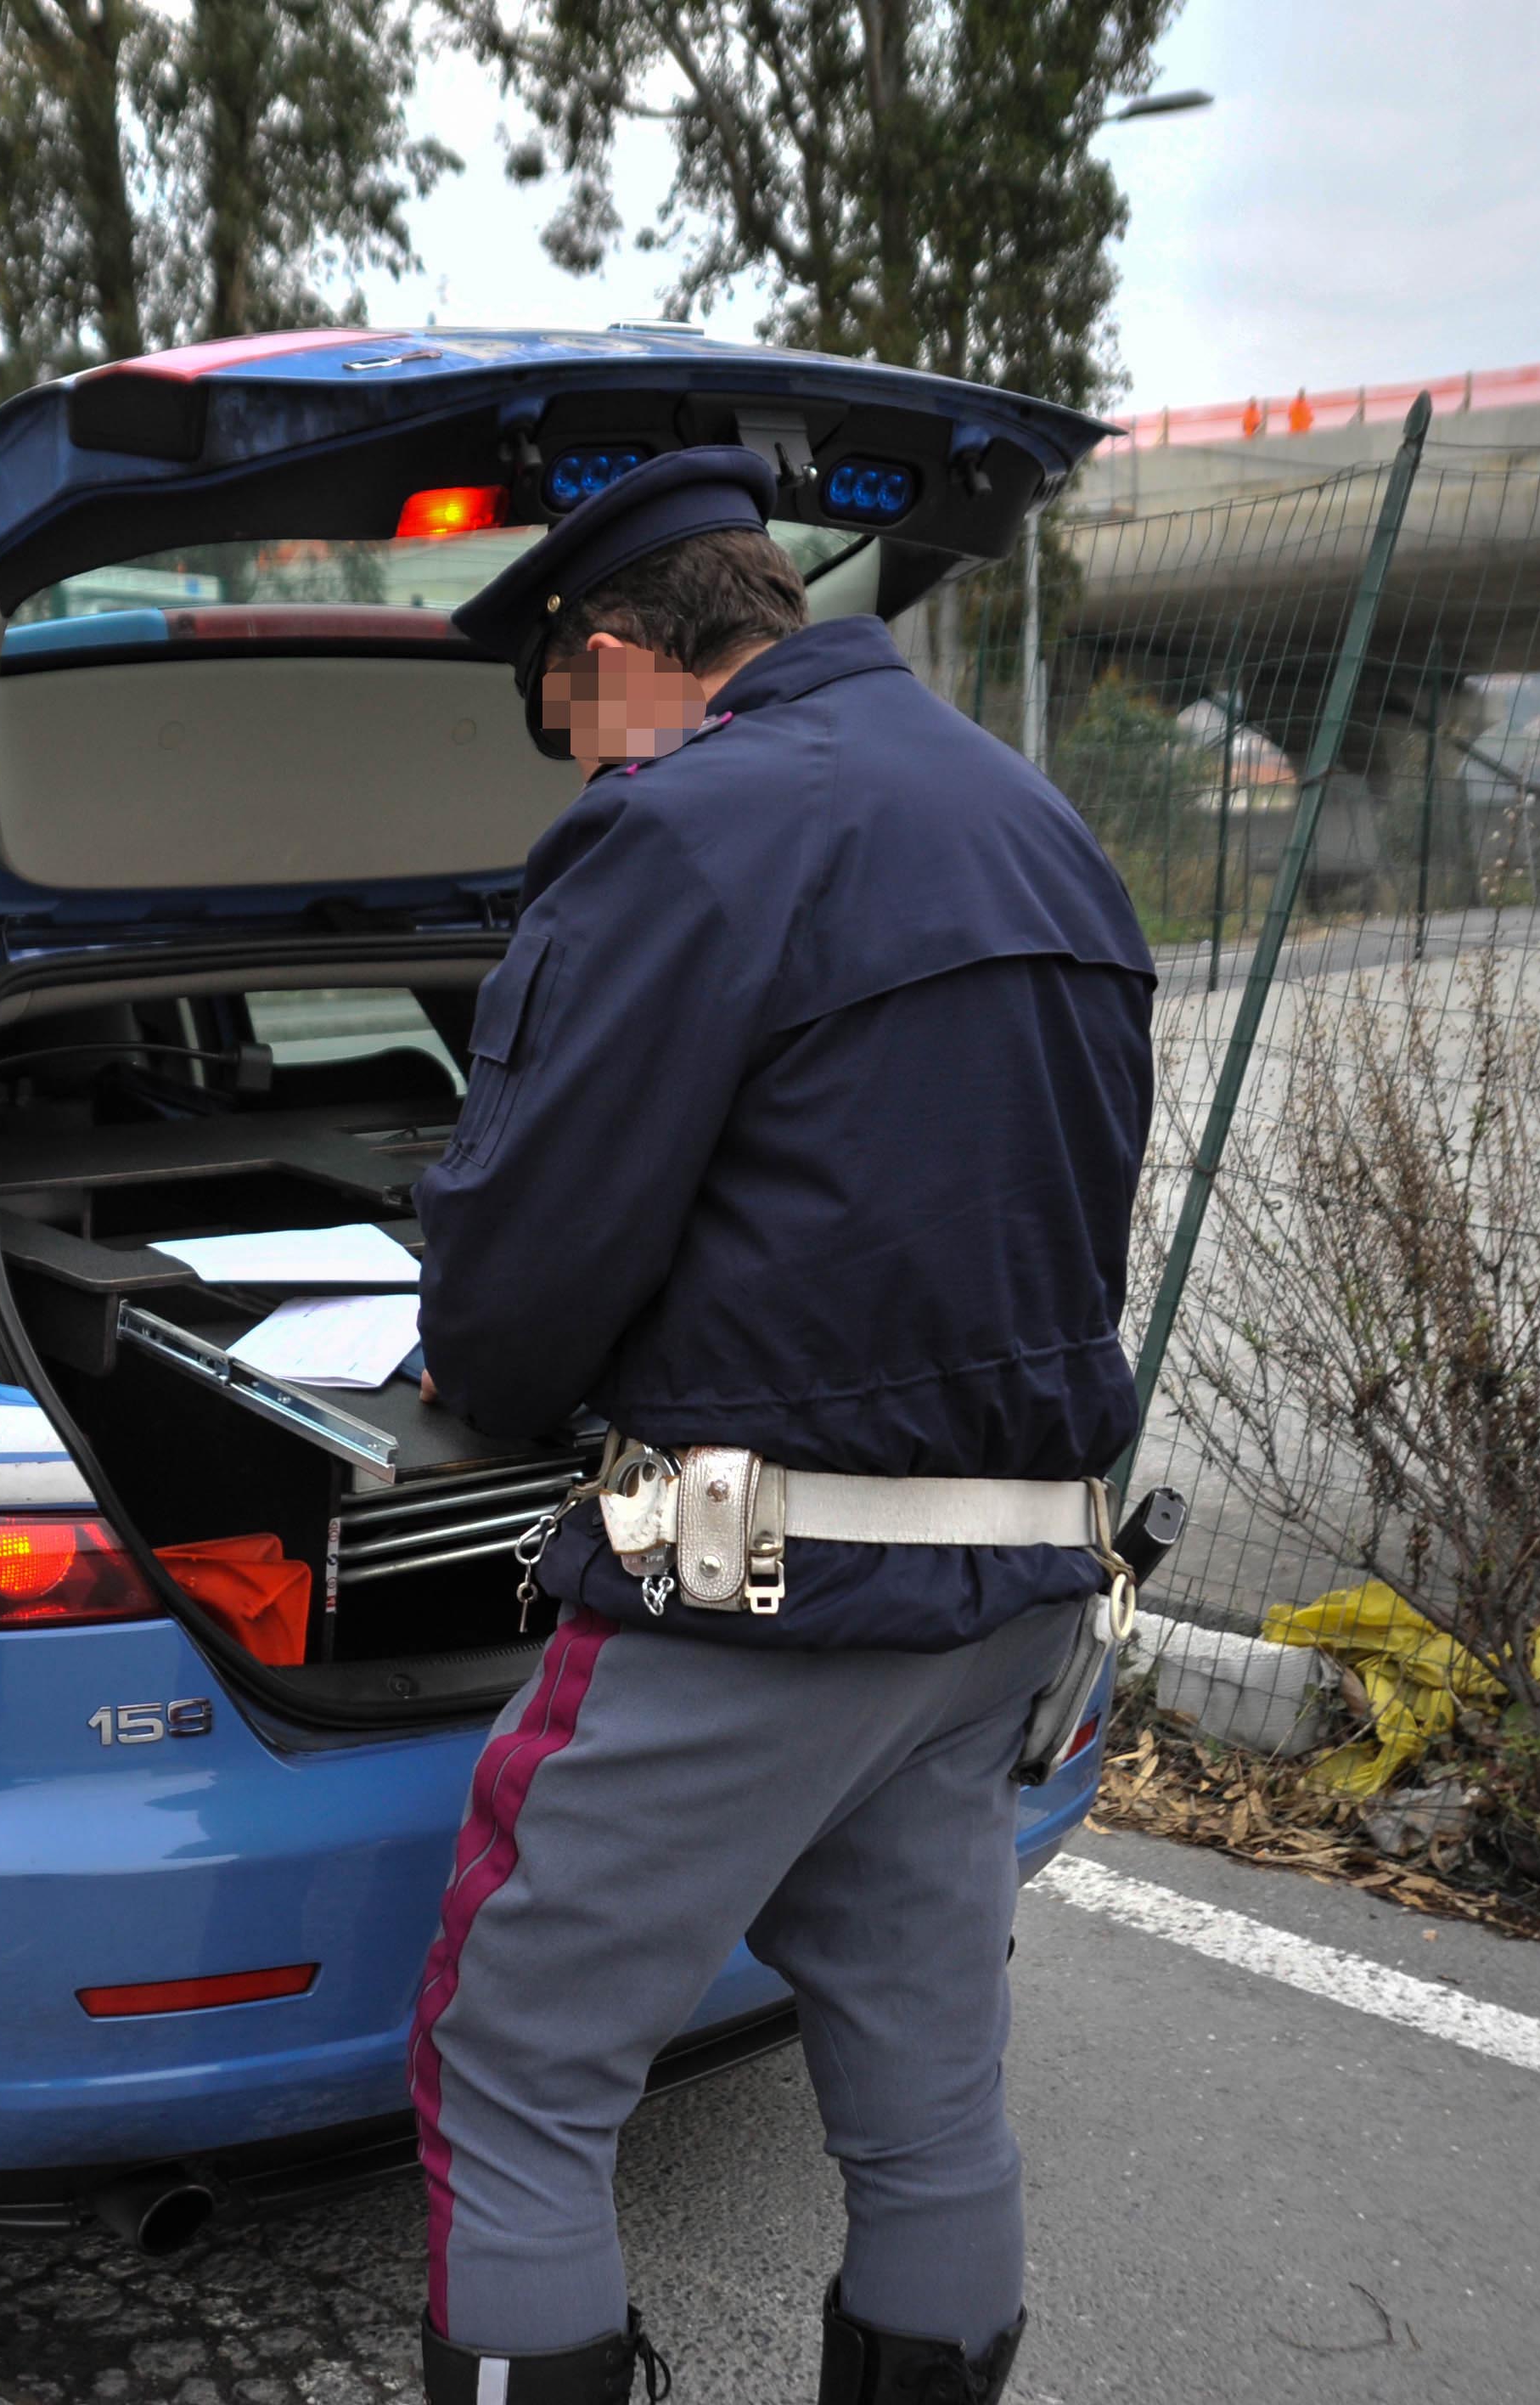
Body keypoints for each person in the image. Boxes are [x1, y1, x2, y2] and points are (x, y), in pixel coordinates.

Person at [403, 449, 1157, 2405]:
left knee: (517, 2061)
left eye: (567, 725)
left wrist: (474, 1386)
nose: (580, 773)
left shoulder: (688, 829)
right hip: (1005, 1590)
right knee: (923, 2093)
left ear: (614, 654)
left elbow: (539, 1231)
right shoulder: (1036, 820)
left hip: (761, 1592)